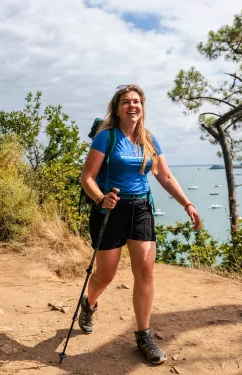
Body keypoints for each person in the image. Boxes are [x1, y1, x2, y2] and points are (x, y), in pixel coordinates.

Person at [79, 84, 202, 365]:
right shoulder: (105, 138)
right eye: (126, 102)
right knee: (106, 275)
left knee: (145, 272)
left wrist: (188, 204)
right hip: (109, 209)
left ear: (142, 107)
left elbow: (166, 177)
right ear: (117, 108)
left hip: (141, 209)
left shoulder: (148, 139)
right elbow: (87, 177)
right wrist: (100, 199)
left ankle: (143, 335)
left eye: (137, 101)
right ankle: (90, 303)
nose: (132, 106)